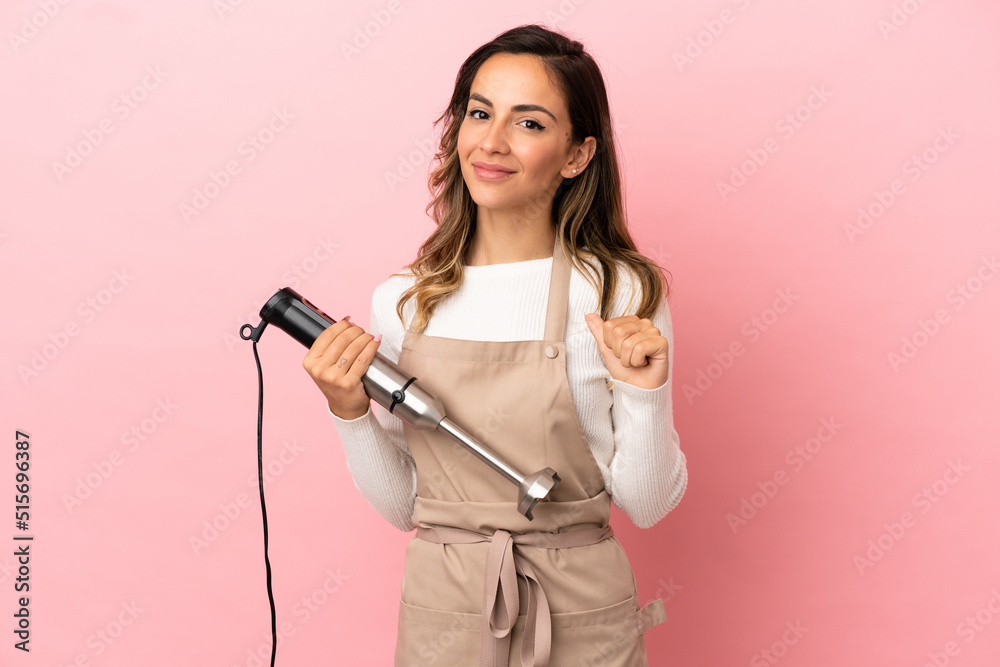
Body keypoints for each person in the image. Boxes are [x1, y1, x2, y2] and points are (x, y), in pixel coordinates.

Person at [302, 24, 687, 666]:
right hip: (447, 612)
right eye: (479, 113)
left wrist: (646, 393)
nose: (492, 141)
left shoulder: (617, 293)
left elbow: (647, 505)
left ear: (577, 155)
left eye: (529, 123)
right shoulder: (405, 301)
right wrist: (348, 413)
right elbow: (406, 508)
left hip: (581, 610)